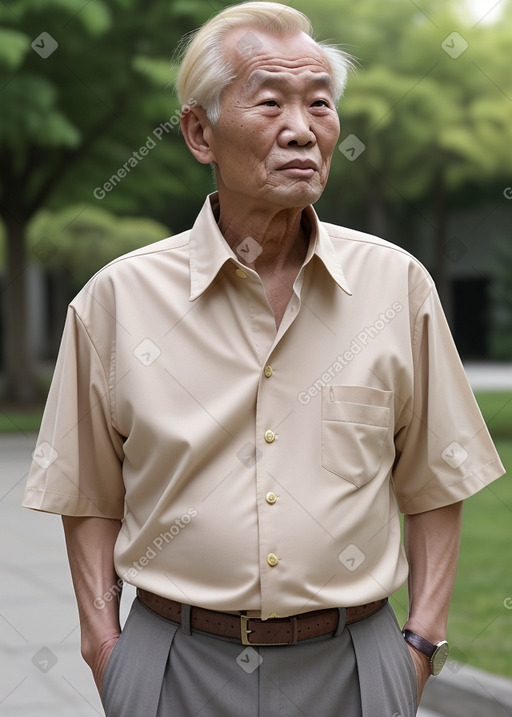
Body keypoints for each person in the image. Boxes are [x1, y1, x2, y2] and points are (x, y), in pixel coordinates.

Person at [23, 2, 505, 716]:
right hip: (172, 665)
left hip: (357, 664)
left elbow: (437, 480)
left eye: (319, 104)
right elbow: (88, 496)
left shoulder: (396, 288)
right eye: (271, 102)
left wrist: (421, 643)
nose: (302, 129)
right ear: (198, 132)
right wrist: (105, 646)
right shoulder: (116, 302)